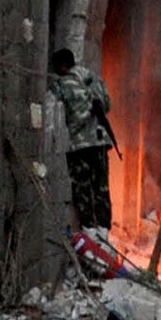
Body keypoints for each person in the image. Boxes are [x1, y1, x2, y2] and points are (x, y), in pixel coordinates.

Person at [50, 48, 113, 231]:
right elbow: (107, 105)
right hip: (101, 142)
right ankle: (104, 233)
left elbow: (50, 108)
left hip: (80, 146)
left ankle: (90, 233)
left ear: (62, 66)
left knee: (83, 190)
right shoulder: (94, 78)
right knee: (102, 188)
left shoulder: (62, 84)